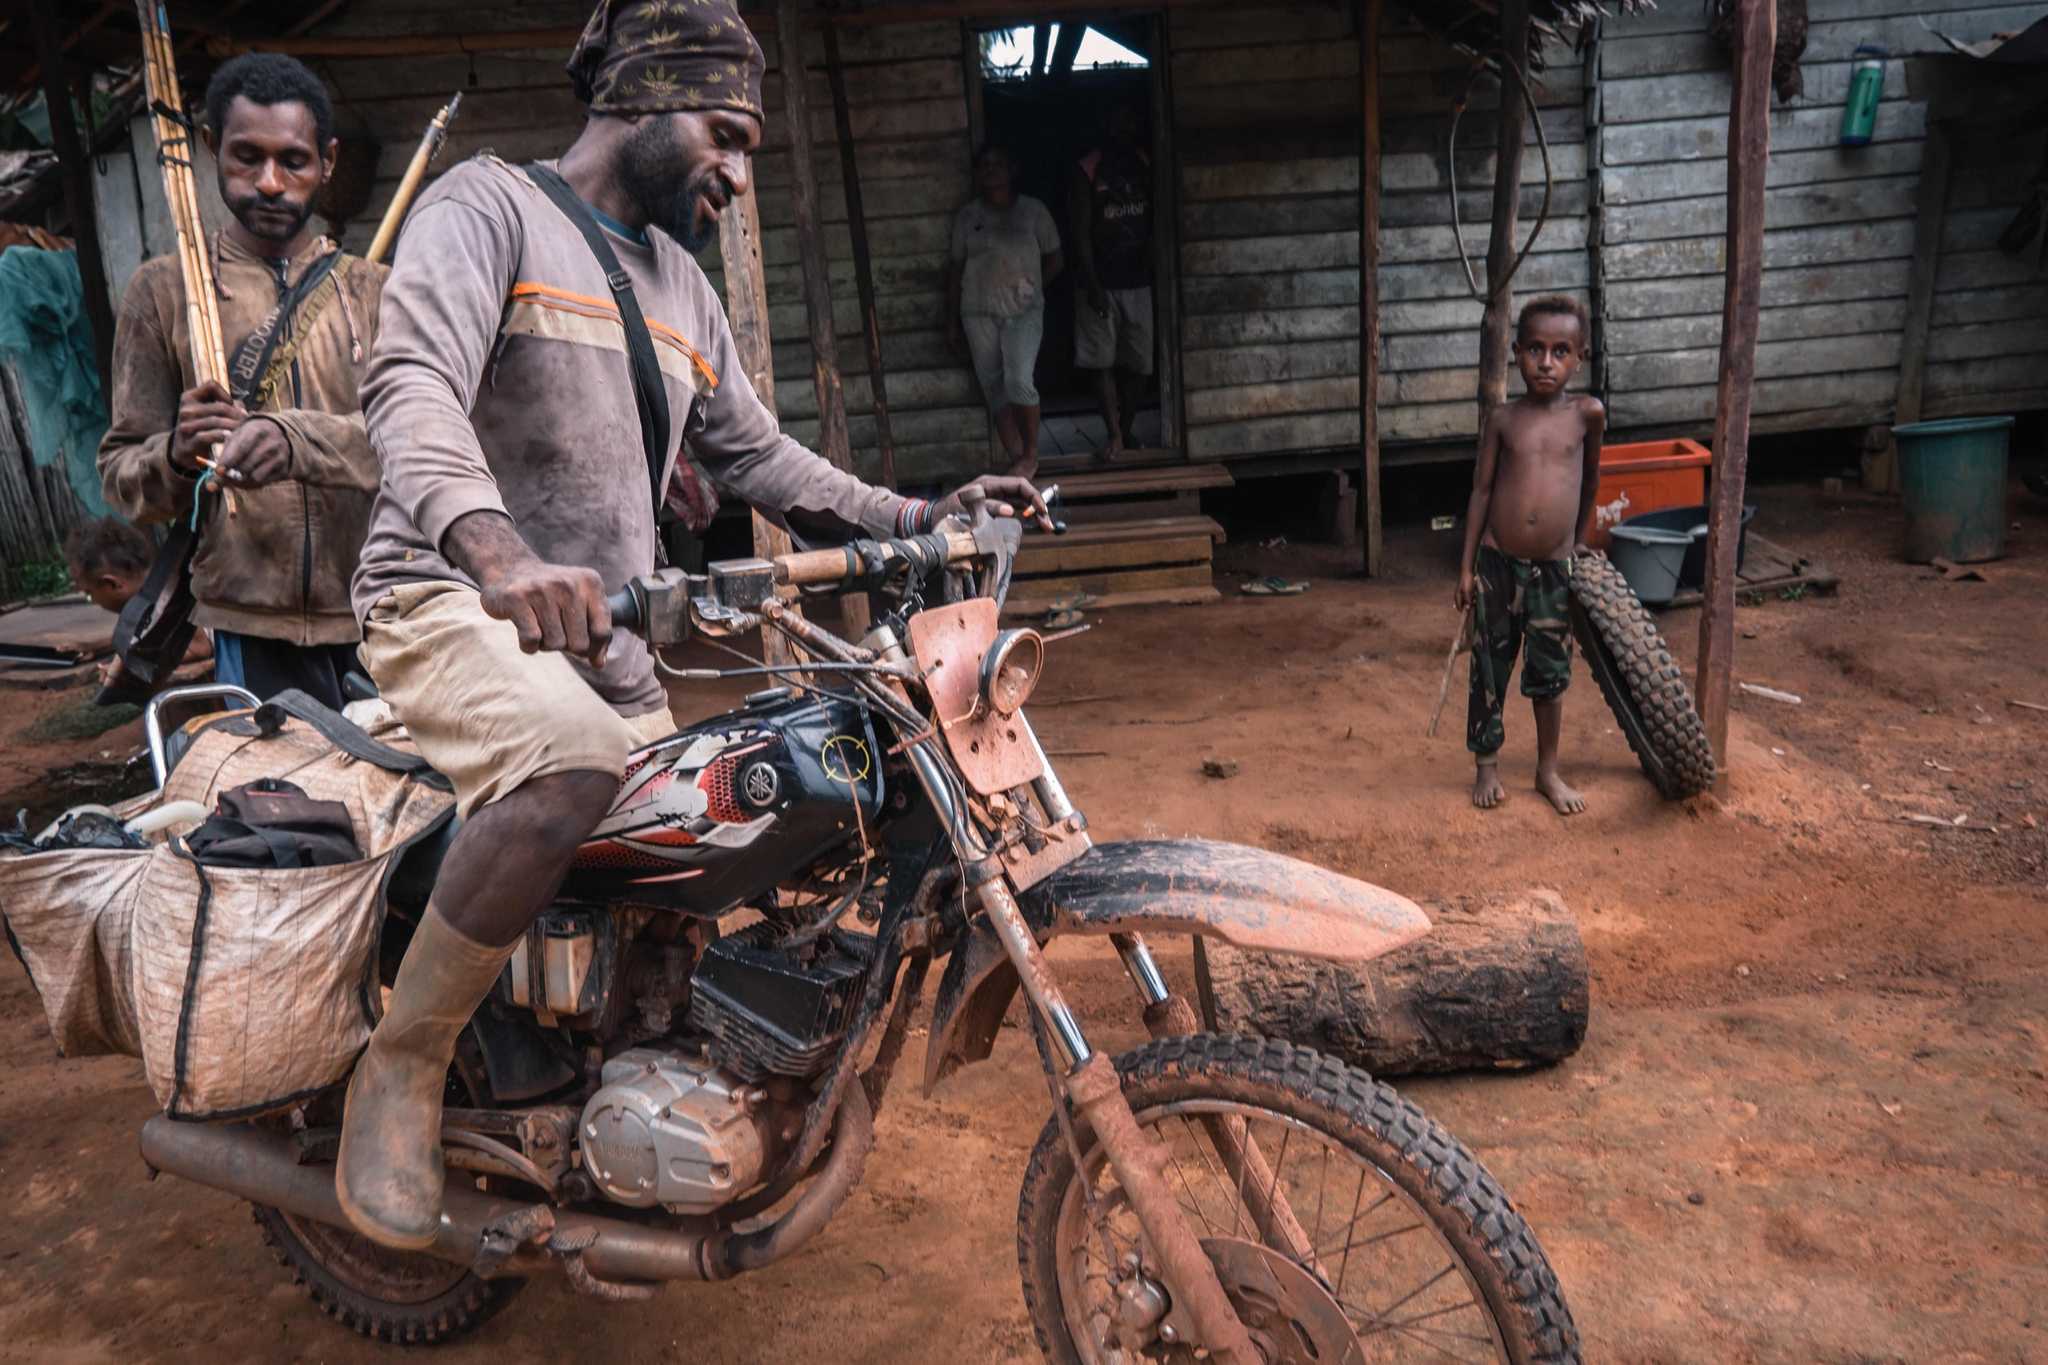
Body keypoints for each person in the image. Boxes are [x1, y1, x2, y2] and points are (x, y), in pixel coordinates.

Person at [337, 0, 1048, 1252]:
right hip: (444, 602)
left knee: (713, 826)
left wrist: (920, 511)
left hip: (603, 639)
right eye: (724, 135)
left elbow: (755, 453)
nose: (734, 169)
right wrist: (495, 552)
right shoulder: (485, 208)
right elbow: (409, 388)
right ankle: (402, 1061)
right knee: (571, 762)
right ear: (642, 99)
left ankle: (633, 1083)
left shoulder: (678, 282)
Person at [97, 53, 383, 710]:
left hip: (378, 609)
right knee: (281, 804)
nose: (271, 182)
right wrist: (172, 452)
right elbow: (120, 472)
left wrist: (291, 440)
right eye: (246, 158)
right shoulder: (163, 292)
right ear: (209, 150)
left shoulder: (374, 292)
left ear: (329, 161)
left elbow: (412, 442)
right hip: (249, 621)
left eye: (294, 160)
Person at [1454, 295, 1606, 817]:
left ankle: (1547, 770)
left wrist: (1577, 539)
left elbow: (1590, 481)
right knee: (1489, 666)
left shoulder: (1588, 416)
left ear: (1579, 357)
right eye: (1535, 349)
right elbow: (1480, 492)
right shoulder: (1503, 420)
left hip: (1552, 570)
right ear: (1516, 352)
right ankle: (1487, 766)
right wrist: (1466, 566)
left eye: (1561, 351)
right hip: (1498, 563)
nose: (1547, 362)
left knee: (1550, 671)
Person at [948, 144, 1062, 478]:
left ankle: (1031, 452)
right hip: (977, 312)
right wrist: (951, 321)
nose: (991, 170)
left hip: (1023, 312)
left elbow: (1055, 258)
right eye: (984, 165)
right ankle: (1017, 458)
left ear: (1013, 170)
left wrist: (1033, 287)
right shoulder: (969, 216)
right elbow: (956, 269)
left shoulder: (1033, 211)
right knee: (993, 386)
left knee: (1018, 379)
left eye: (999, 164)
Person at [1069, 105, 1153, 457]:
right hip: (1100, 280)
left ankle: (1127, 427)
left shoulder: (1146, 162)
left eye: (1128, 121)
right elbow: (1080, 231)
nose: (1123, 128)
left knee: (1141, 364)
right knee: (1101, 361)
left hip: (1139, 279)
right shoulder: (1088, 168)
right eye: (1117, 121)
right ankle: (1114, 434)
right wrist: (1092, 284)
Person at [63, 516, 211, 690]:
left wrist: (130, 667)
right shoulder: (153, 589)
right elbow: (143, 635)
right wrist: (95, 647)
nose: (93, 601)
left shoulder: (165, 599)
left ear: (112, 584)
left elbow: (200, 648)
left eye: (90, 594)